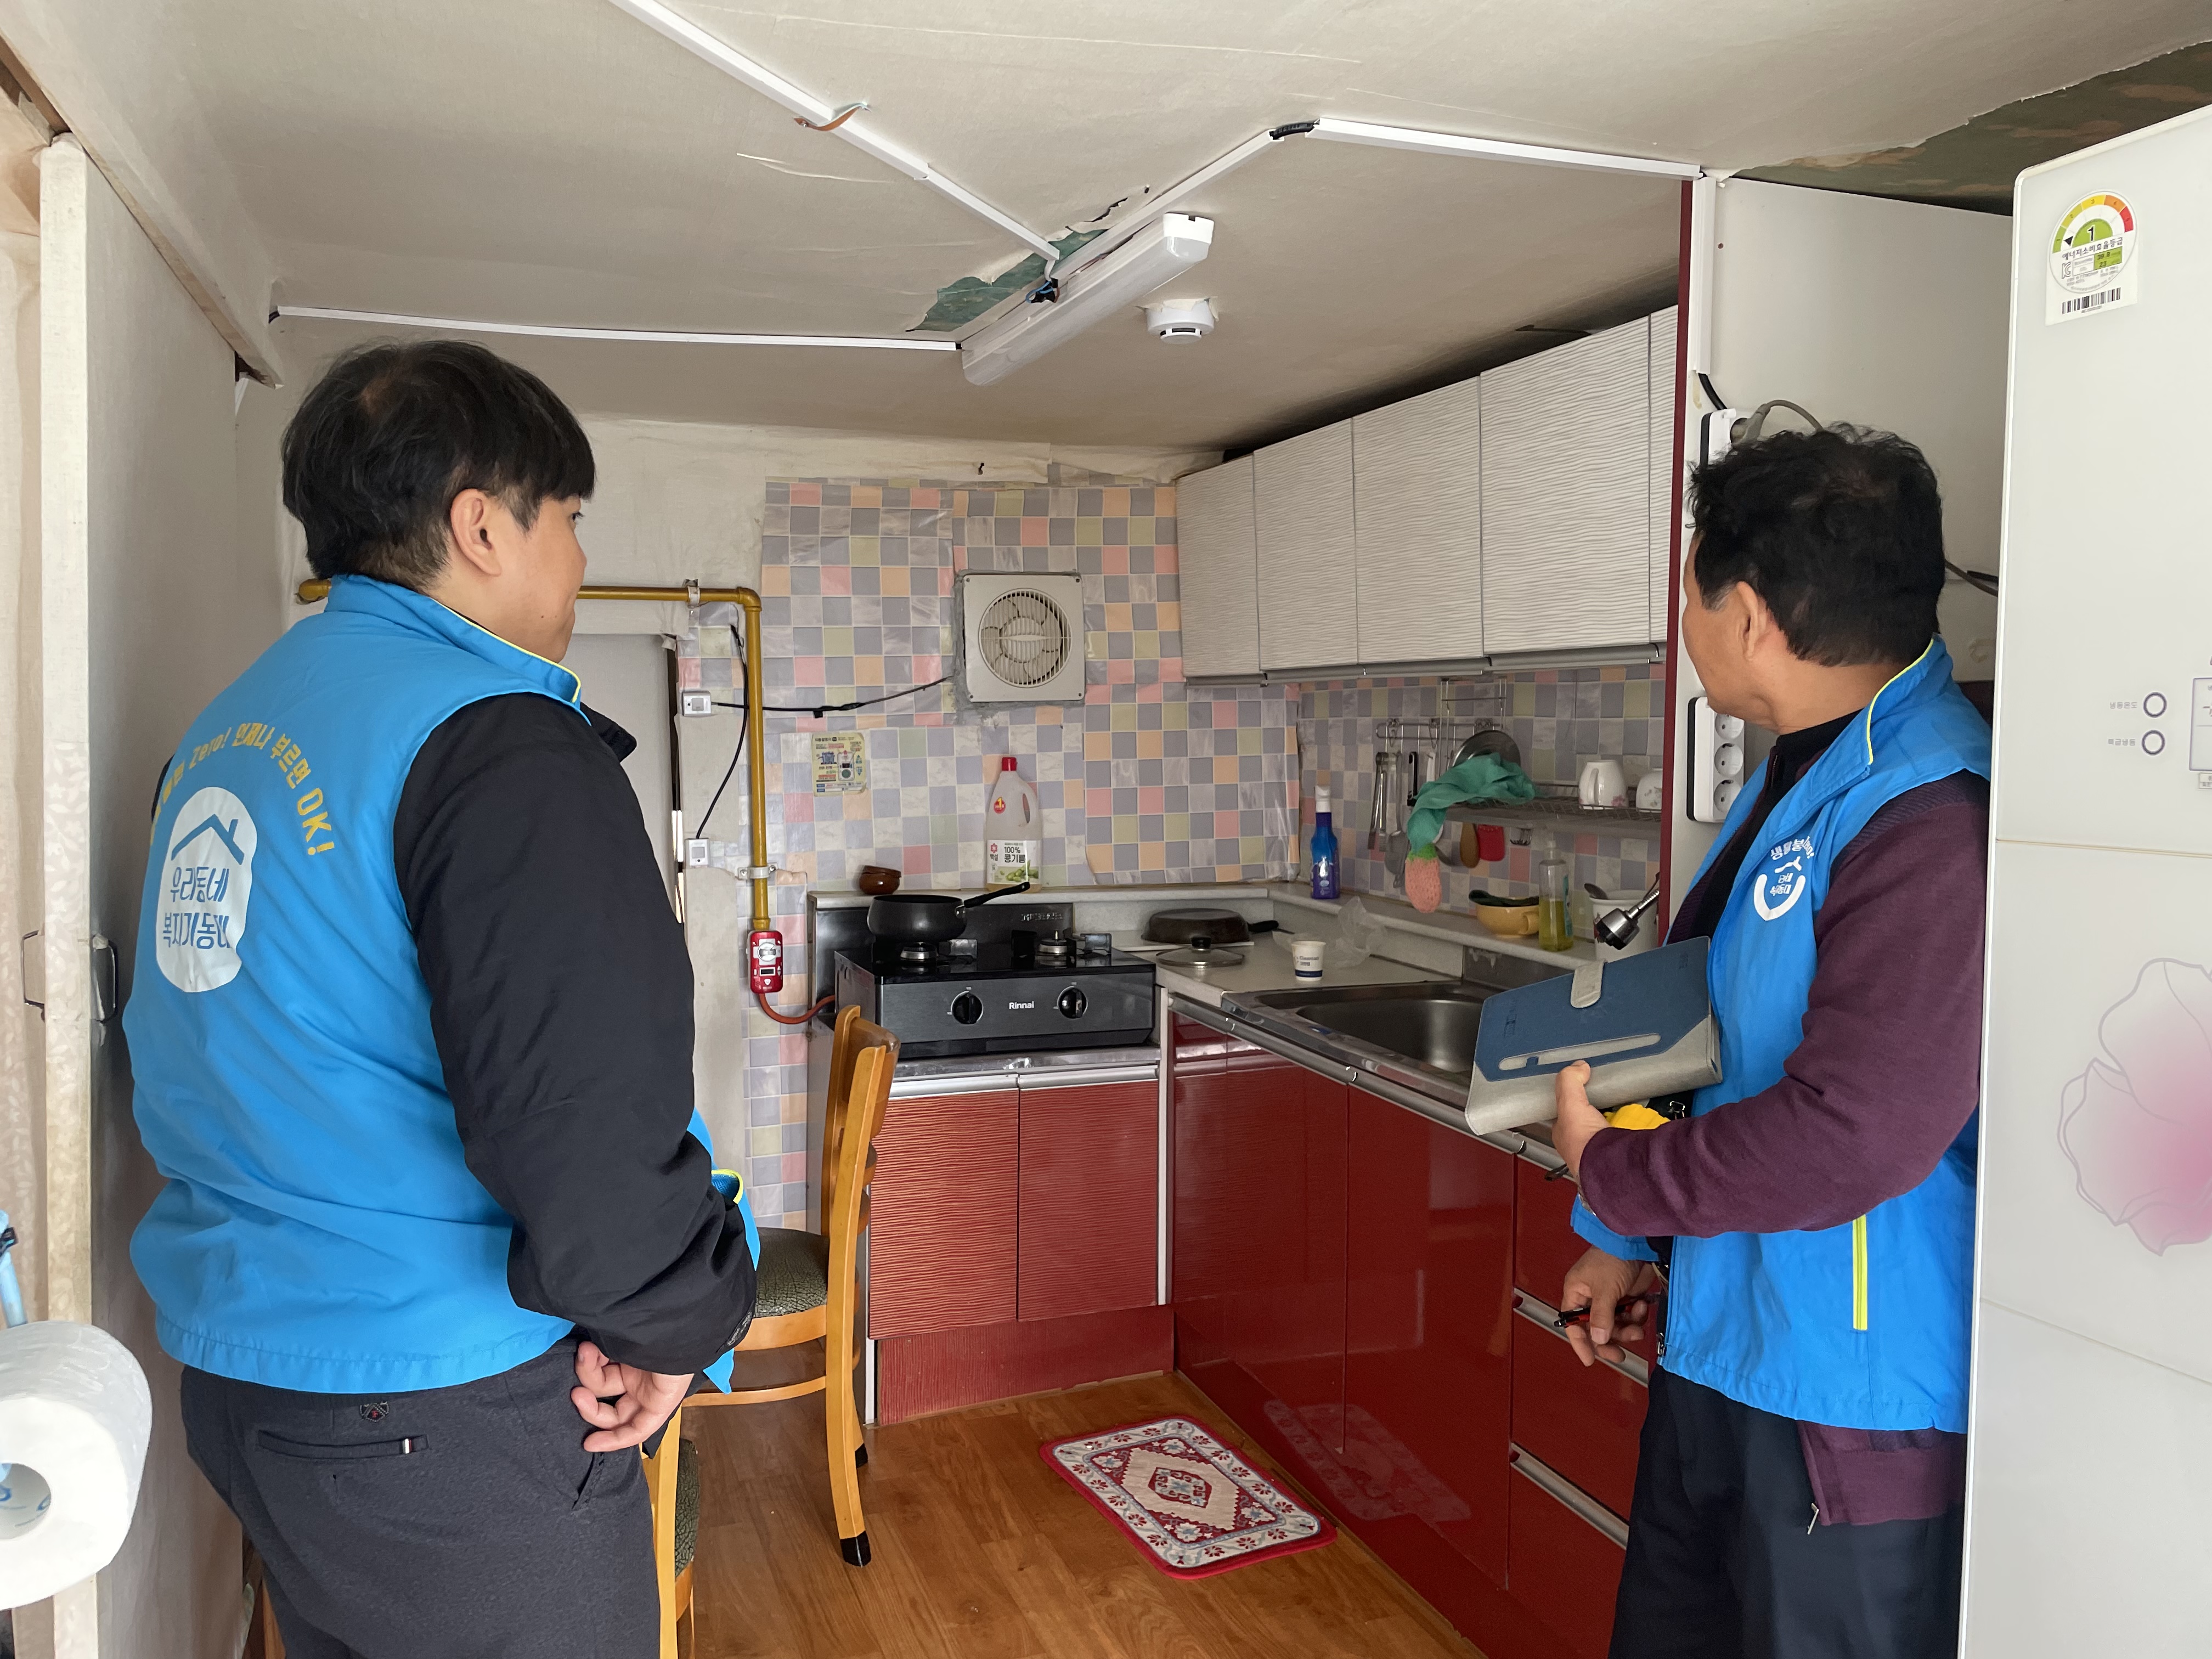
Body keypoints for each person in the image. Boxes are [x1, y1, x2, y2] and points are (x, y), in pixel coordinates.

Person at [123, 340, 759, 1658]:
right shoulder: (496, 740)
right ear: (482, 527)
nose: (578, 559)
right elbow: (581, 1126)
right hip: (443, 1418)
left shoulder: (227, 736)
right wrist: (677, 1325)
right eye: (569, 518)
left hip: (249, 1384)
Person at [1549, 425, 1989, 1659]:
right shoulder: (1803, 774)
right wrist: (1620, 1237)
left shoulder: (1929, 818)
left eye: (1689, 594)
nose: (1685, 624)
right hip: (1726, 1348)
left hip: (1845, 1405)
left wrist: (1611, 1171)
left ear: (1744, 614)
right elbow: (1711, 1038)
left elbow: (1855, 1133)